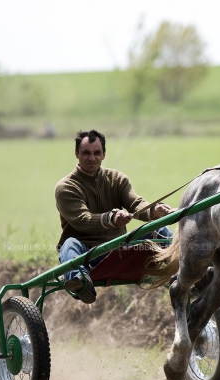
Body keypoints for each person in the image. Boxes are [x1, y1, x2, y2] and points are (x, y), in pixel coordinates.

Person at [55, 130, 173, 303]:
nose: (91, 158)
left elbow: (136, 203)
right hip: (88, 257)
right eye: (86, 153)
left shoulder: (117, 179)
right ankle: (79, 282)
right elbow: (82, 220)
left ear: (103, 154)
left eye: (96, 153)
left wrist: (154, 211)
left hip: (117, 251)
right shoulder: (65, 187)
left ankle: (185, 267)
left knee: (160, 230)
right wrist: (111, 218)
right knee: (69, 244)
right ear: (77, 154)